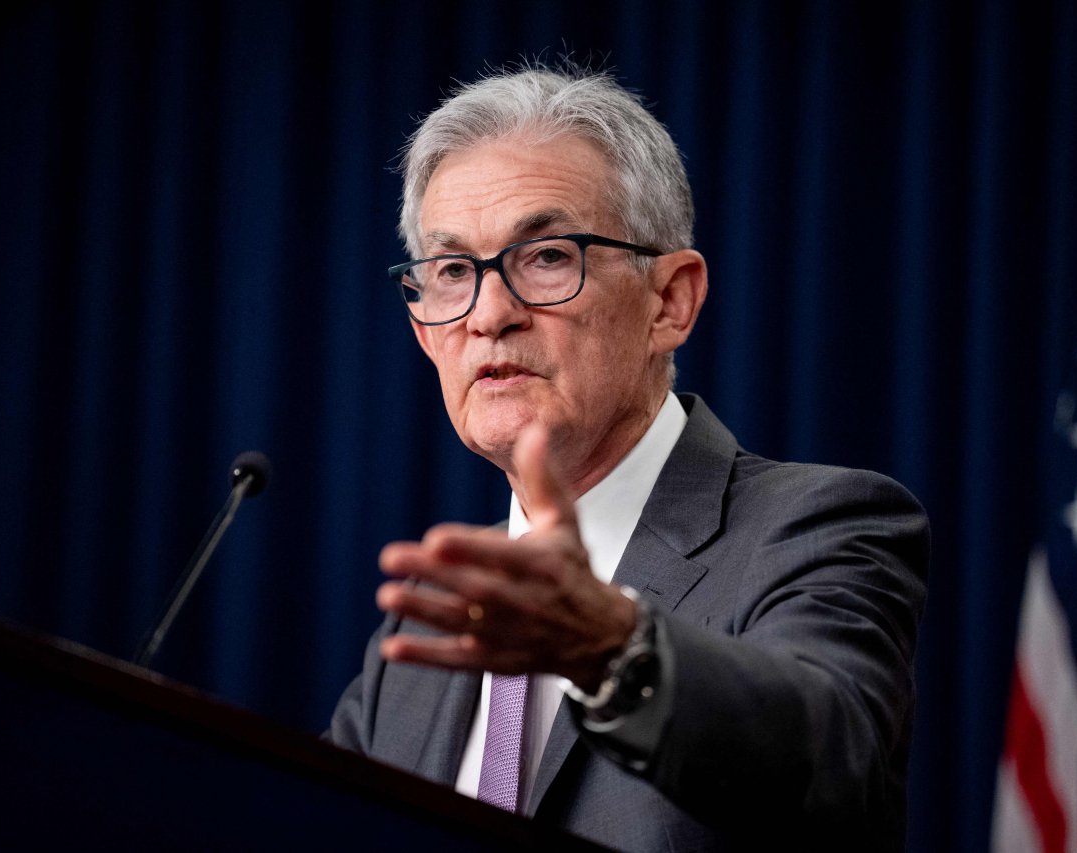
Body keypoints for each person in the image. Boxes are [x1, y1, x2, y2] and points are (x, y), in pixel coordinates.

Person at [326, 65, 929, 853]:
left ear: (669, 301)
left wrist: (614, 649)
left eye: (545, 256)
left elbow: (828, 753)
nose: (490, 314)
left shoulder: (821, 528)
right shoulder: (417, 636)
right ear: (424, 331)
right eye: (452, 272)